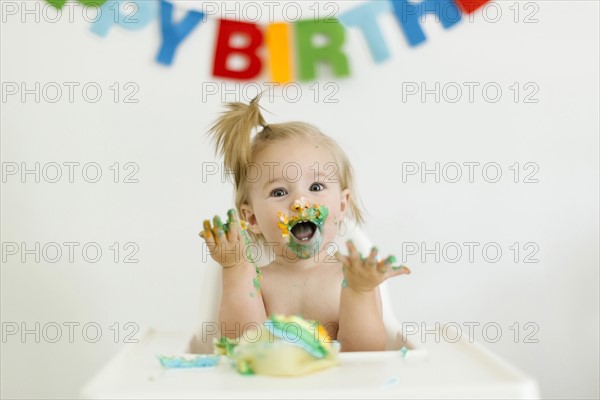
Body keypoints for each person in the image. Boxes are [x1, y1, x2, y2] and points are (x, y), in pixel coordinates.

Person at [199, 95, 410, 352]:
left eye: (316, 186)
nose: (300, 201)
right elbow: (242, 346)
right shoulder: (258, 281)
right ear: (251, 218)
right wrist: (234, 268)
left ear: (342, 206)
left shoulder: (350, 278)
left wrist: (359, 292)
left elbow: (366, 353)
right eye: (279, 192)